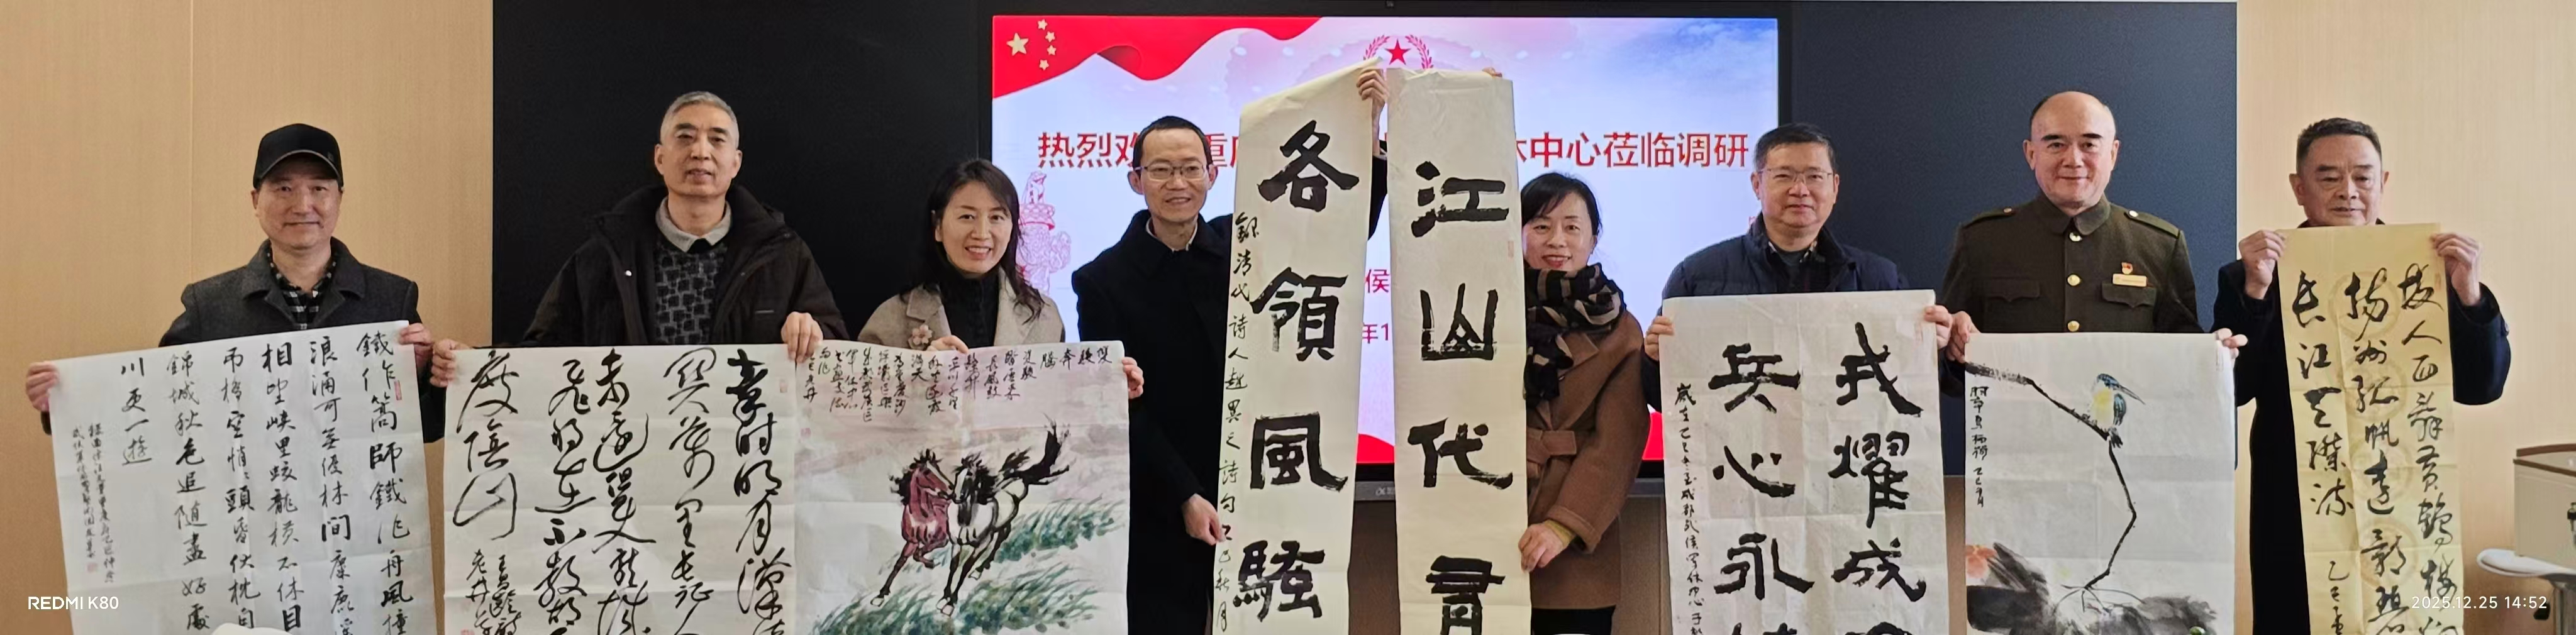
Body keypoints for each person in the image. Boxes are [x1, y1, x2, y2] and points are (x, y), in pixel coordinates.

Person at [1070, 70, 1391, 634]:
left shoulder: (1243, 240)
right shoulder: (1102, 281)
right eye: (1161, 170)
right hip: (1160, 500)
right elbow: (1123, 407)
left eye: (1191, 168)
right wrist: (1184, 494)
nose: (1178, 183)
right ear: (1136, 180)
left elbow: (1333, 234)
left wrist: (1368, 134)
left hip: (1260, 487)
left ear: (1213, 175)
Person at [2213, 118, 2509, 632]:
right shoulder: (2254, 272)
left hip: (2405, 484)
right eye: (2329, 178)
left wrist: (2469, 294)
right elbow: (2233, 391)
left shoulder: (2429, 268)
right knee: (2297, 614)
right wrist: (2257, 293)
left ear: (2383, 182)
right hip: (2294, 495)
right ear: (2299, 188)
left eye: (2363, 177)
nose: (2348, 192)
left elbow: (2483, 387)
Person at [24, 123, 445, 442]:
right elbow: (159, 405)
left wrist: (427, 374)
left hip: (356, 525)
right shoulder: (209, 305)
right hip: (251, 521)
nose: (303, 205)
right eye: (284, 188)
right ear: (255, 201)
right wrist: (65, 403)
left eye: (319, 188)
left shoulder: (392, 298)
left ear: (339, 199)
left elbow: (426, 430)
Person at [431, 91, 845, 386]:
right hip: (632, 462)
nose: (700, 151)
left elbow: (840, 355)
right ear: (660, 158)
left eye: (717, 140)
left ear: (735, 163)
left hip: (744, 462)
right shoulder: (604, 255)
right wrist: (477, 366)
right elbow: (547, 353)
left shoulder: (782, 254)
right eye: (685, 137)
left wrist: (814, 333)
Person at [1641, 123, 1955, 402]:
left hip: (1842, 449)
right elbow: (1665, 400)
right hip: (1741, 448)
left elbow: (1911, 387)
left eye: (1814, 177)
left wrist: (1934, 348)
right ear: (1757, 185)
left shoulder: (1881, 279)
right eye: (1784, 176)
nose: (1800, 190)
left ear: (1835, 187)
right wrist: (1654, 360)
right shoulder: (1697, 277)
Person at [1941, 91, 2242, 360]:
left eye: (2089, 144)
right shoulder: (1981, 241)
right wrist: (1951, 346)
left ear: (2113, 154)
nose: (2074, 160)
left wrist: (2214, 360)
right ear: (2032, 154)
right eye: (2056, 144)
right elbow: (1950, 378)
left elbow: (2181, 363)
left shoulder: (2160, 246)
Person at [855, 158, 1142, 397]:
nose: (982, 233)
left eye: (996, 217)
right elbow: (860, 413)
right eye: (967, 217)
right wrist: (917, 378)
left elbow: (1058, 406)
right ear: (938, 227)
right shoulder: (891, 320)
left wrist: (1106, 390)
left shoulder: (1043, 315)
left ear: (1013, 227)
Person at [1515, 173, 1648, 635]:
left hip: (1573, 550)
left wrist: (1562, 526)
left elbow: (1618, 443)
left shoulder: (1621, 329)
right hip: (1483, 523)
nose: (1557, 240)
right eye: (1541, 225)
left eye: (1572, 227)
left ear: (1593, 239)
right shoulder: (1480, 313)